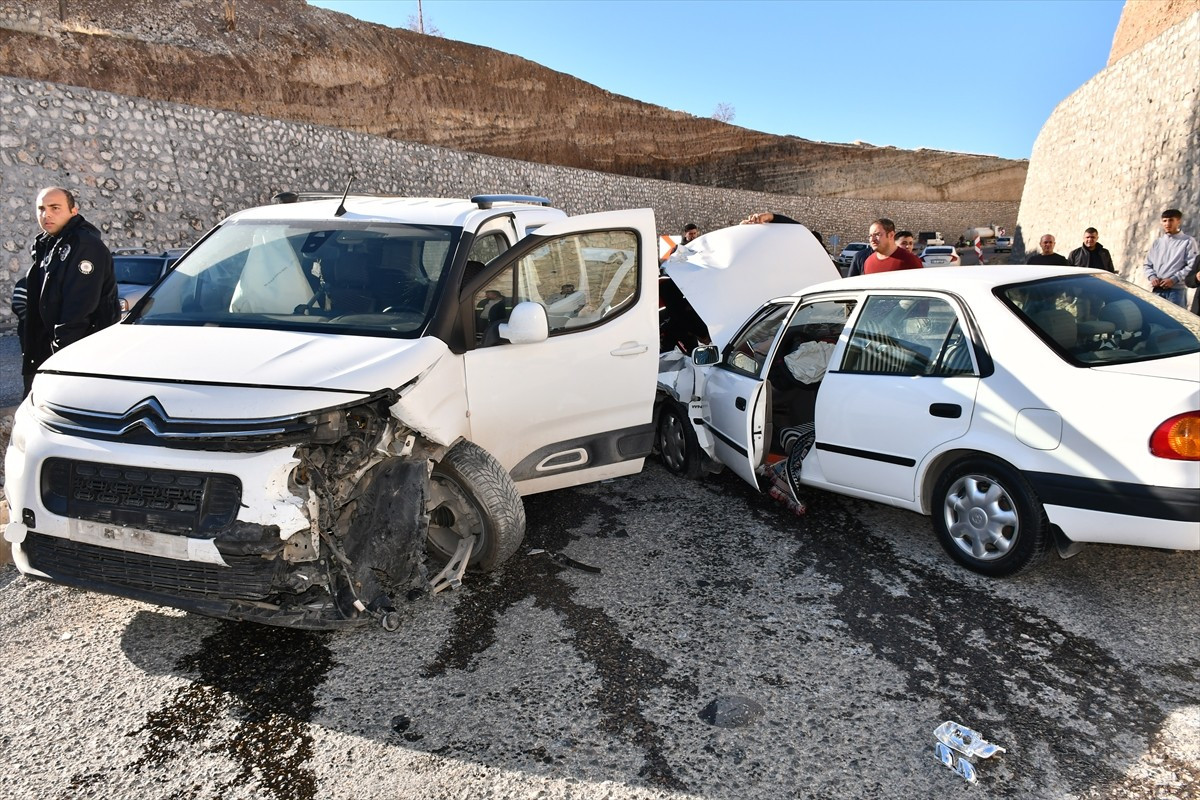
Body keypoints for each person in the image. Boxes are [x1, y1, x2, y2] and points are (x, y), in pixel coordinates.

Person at [21, 187, 118, 398]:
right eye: (41, 209)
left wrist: (59, 363)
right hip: (48, 356)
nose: (47, 214)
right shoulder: (47, 244)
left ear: (74, 211)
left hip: (78, 362)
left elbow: (78, 311)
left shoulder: (84, 245)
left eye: (55, 208)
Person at [1144, 209, 1199, 308]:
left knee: (1175, 321)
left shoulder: (1188, 241)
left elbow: (1192, 266)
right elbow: (1147, 264)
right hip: (1157, 290)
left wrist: (1174, 279)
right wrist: (1152, 277)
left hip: (1176, 292)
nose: (1167, 223)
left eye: (1171, 220)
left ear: (1178, 221)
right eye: (1164, 221)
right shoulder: (1158, 243)